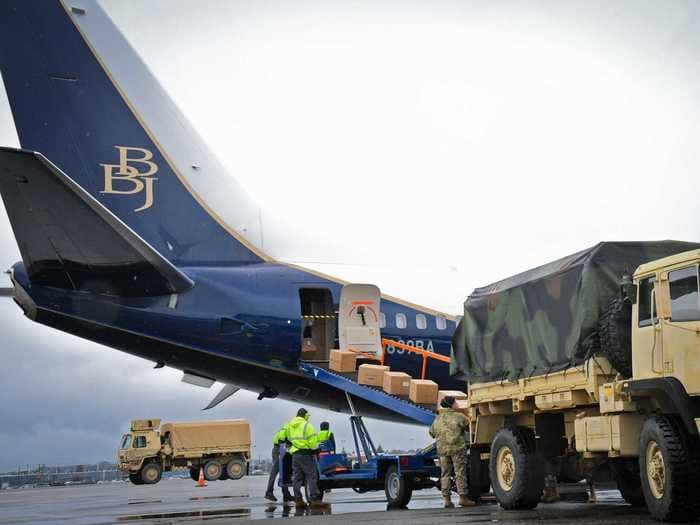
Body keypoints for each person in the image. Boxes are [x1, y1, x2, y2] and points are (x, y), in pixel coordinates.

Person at [429, 396, 476, 508]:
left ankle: (447, 500)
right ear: (451, 404)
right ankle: (463, 498)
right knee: (460, 473)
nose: (458, 404)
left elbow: (431, 433)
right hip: (457, 449)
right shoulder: (459, 416)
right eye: (456, 402)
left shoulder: (437, 419)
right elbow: (470, 428)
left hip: (442, 451)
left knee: (445, 474)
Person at [287, 408, 324, 509]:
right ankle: (315, 500)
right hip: (305, 455)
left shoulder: (290, 425)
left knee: (297, 479)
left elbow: (289, 439)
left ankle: (298, 501)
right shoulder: (307, 425)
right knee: (312, 476)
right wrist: (316, 450)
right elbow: (312, 442)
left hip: (295, 455)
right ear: (305, 415)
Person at [265, 422, 294, 503]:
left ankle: (286, 495)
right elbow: (282, 440)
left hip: (279, 449)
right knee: (275, 471)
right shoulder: (285, 429)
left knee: (283, 472)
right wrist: (284, 450)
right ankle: (269, 492)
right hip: (278, 450)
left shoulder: (287, 430)